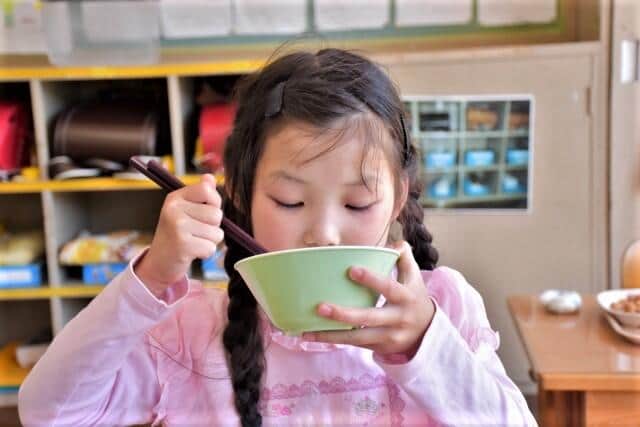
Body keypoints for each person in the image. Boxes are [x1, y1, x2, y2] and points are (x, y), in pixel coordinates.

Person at [18, 48, 537, 426]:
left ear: (398, 198)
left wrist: (426, 343)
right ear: (239, 196)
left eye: (358, 203)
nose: (324, 234)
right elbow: (48, 411)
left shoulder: (445, 306)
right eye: (289, 202)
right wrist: (153, 275)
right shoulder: (191, 331)